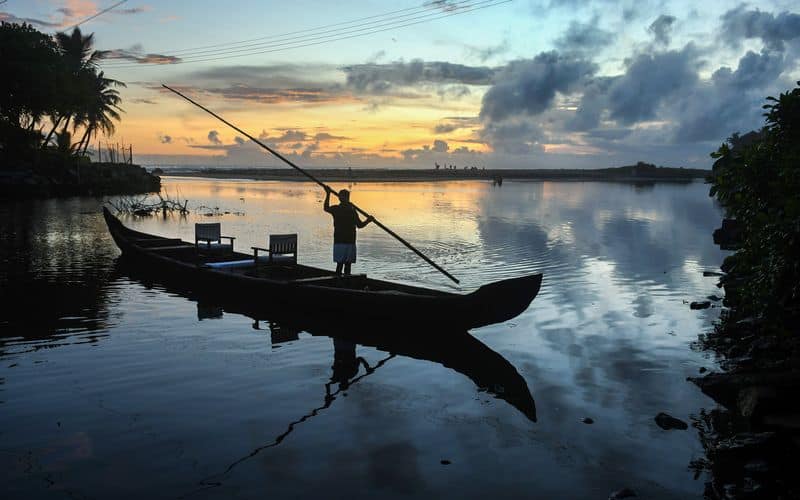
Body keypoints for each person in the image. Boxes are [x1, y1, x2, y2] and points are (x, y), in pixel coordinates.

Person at [323, 186, 373, 275]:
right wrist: (368, 221)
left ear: (340, 198)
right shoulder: (350, 210)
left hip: (344, 241)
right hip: (346, 241)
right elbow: (360, 225)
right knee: (345, 266)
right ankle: (343, 283)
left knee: (342, 265)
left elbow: (326, 208)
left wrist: (328, 194)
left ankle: (342, 283)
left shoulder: (346, 210)